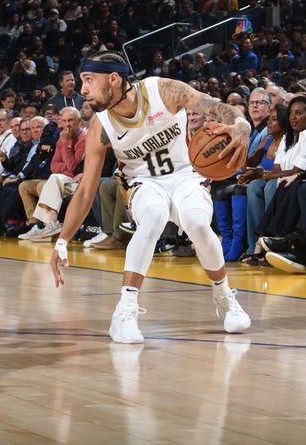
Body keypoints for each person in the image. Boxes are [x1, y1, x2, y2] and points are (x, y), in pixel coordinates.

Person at [49, 50, 252, 343]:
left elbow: (218, 108)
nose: (83, 90)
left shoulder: (162, 90)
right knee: (154, 215)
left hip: (186, 175)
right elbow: (85, 191)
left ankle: (223, 295)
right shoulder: (101, 126)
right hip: (143, 183)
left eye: (89, 80)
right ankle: (125, 311)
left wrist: (242, 126)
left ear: (114, 79)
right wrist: (62, 240)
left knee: (196, 221)